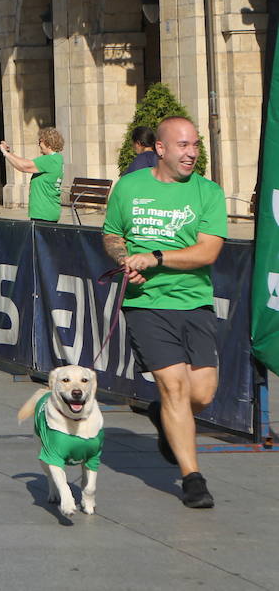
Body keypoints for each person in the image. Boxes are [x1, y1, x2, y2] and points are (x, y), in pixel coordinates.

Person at [103, 116, 226, 509]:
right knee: (173, 386)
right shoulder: (129, 187)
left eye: (195, 146)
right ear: (160, 148)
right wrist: (125, 260)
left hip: (195, 300)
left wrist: (155, 257)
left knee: (201, 394)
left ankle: (164, 417)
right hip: (146, 304)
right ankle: (193, 478)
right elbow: (111, 234)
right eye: (183, 145)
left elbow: (208, 251)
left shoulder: (208, 192)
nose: (191, 153)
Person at [0, 128, 66, 222]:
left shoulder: (50, 160)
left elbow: (23, 166)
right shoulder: (56, 159)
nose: (39, 144)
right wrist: (10, 154)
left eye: (40, 141)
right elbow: (25, 163)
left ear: (49, 144)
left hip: (44, 213)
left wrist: (5, 153)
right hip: (46, 211)